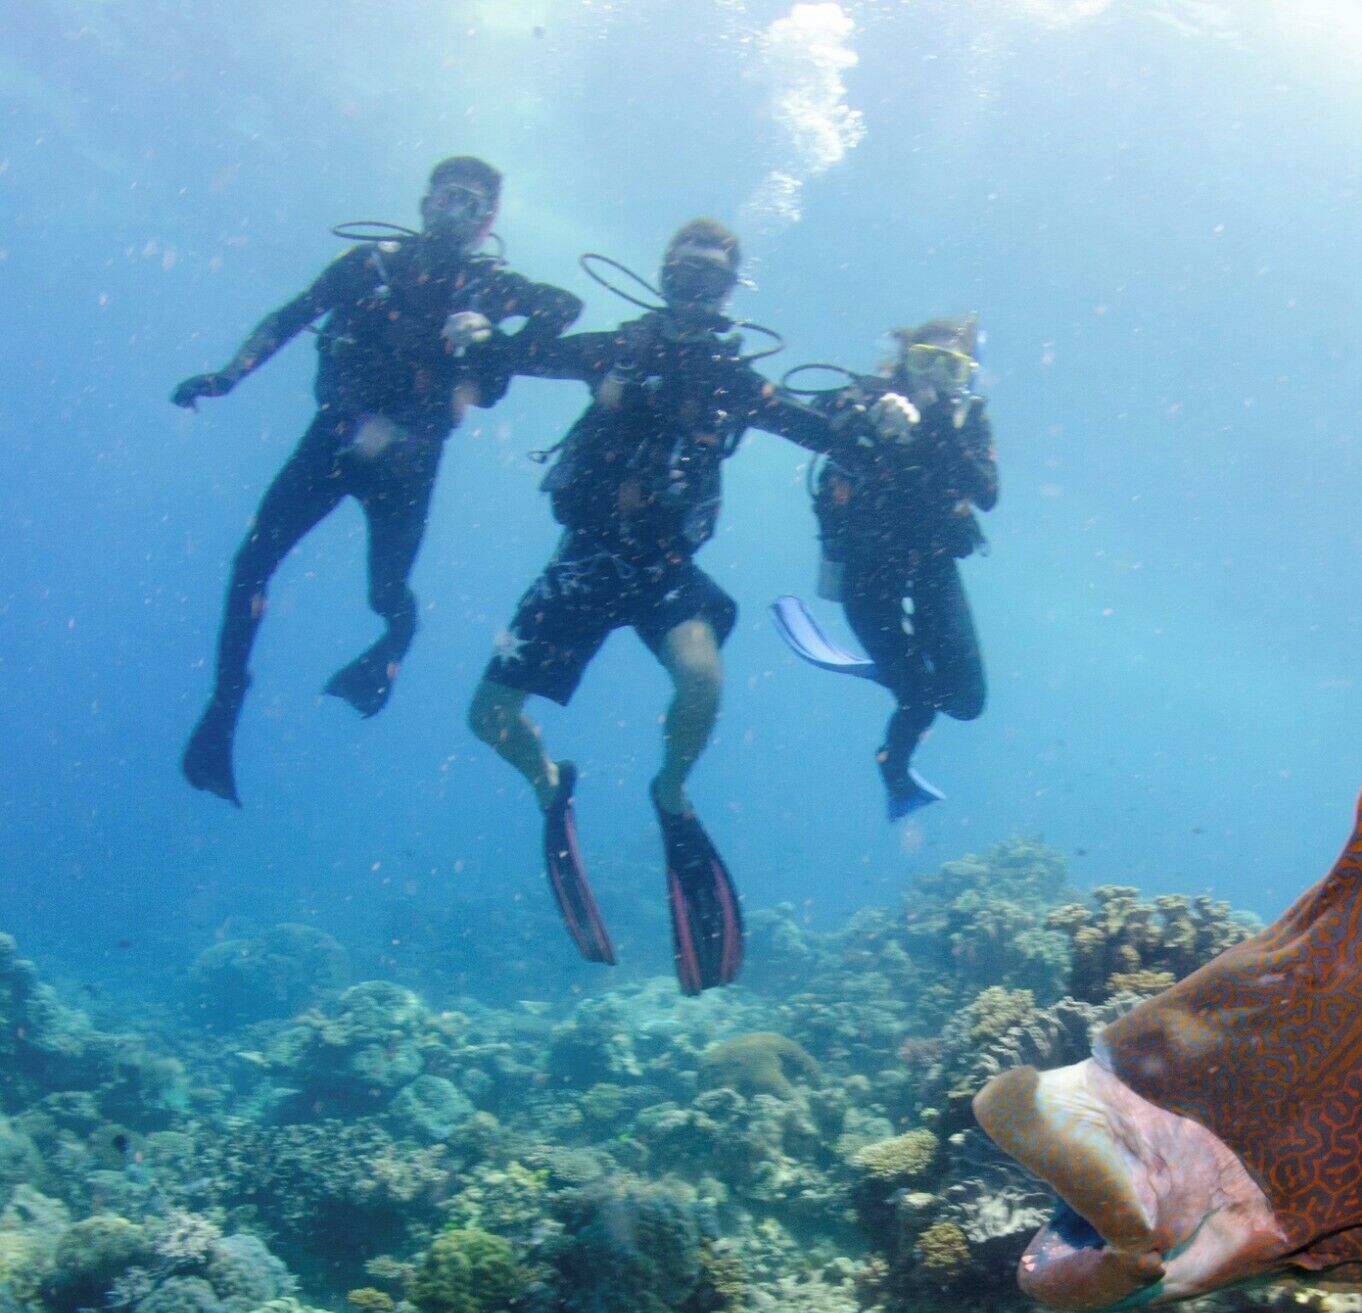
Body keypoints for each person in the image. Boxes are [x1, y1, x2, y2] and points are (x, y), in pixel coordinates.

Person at [467, 219, 834, 994]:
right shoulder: (620, 349)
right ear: (664, 275)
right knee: (488, 717)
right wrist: (477, 331)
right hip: (584, 559)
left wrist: (877, 414)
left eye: (713, 279)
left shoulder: (735, 380)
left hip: (666, 567)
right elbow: (526, 355)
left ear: (731, 291)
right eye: (686, 273)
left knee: (701, 679)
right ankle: (547, 779)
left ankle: (670, 790)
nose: (697, 289)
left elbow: (816, 428)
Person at [172, 156, 582, 805]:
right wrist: (228, 375)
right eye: (449, 197)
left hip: (408, 466)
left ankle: (396, 641)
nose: (456, 213)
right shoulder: (372, 268)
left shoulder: (487, 287)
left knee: (387, 591)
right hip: (333, 442)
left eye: (471, 205)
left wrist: (496, 346)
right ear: (425, 203)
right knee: (252, 561)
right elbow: (288, 317)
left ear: (487, 223)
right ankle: (225, 705)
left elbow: (564, 305)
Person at [771, 317, 999, 820]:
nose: (935, 377)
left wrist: (944, 430)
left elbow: (988, 494)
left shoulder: (968, 421)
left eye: (951, 368)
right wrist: (864, 417)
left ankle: (902, 667)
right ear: (902, 361)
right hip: (866, 566)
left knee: (966, 702)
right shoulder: (868, 395)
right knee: (918, 694)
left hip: (932, 563)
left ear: (966, 376)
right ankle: (894, 759)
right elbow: (803, 416)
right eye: (924, 361)